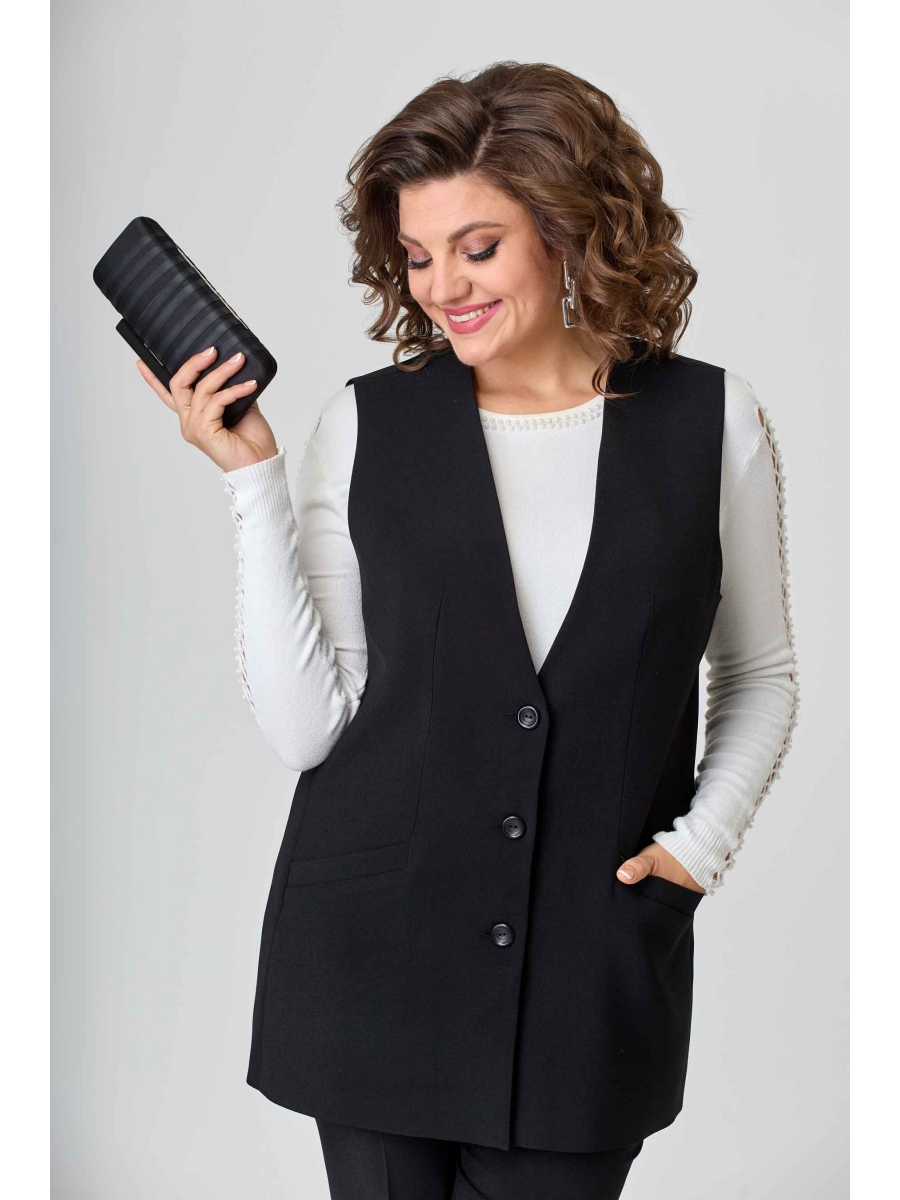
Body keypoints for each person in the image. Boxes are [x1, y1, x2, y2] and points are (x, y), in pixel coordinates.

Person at [138, 61, 799, 1200]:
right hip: (372, 963)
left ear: (568, 230)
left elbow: (759, 671)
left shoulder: (713, 421)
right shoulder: (366, 423)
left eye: (477, 247)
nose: (443, 286)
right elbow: (308, 730)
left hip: (589, 975)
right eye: (417, 255)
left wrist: (699, 851)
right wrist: (251, 481)